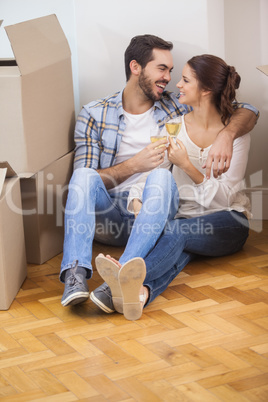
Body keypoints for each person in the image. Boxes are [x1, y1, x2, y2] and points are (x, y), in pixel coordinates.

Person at [60, 34, 258, 308]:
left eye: (178, 75)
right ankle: (75, 274)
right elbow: (84, 187)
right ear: (135, 67)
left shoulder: (173, 106)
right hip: (119, 214)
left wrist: (227, 134)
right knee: (83, 176)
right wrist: (134, 169)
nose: (171, 80)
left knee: (167, 198)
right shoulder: (95, 113)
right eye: (162, 69)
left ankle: (126, 279)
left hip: (163, 214)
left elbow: (245, 108)